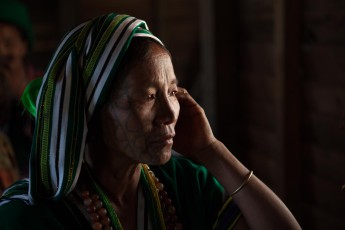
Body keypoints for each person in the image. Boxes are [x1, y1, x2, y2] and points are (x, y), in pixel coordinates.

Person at [0, 13, 301, 229]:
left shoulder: (183, 184)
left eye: (172, 91)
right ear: (92, 110)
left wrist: (211, 150)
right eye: (148, 97)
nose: (171, 112)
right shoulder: (32, 216)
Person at [0, 0, 40, 178]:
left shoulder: (44, 86)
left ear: (24, 45)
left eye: (8, 43)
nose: (1, 52)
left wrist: (18, 98)